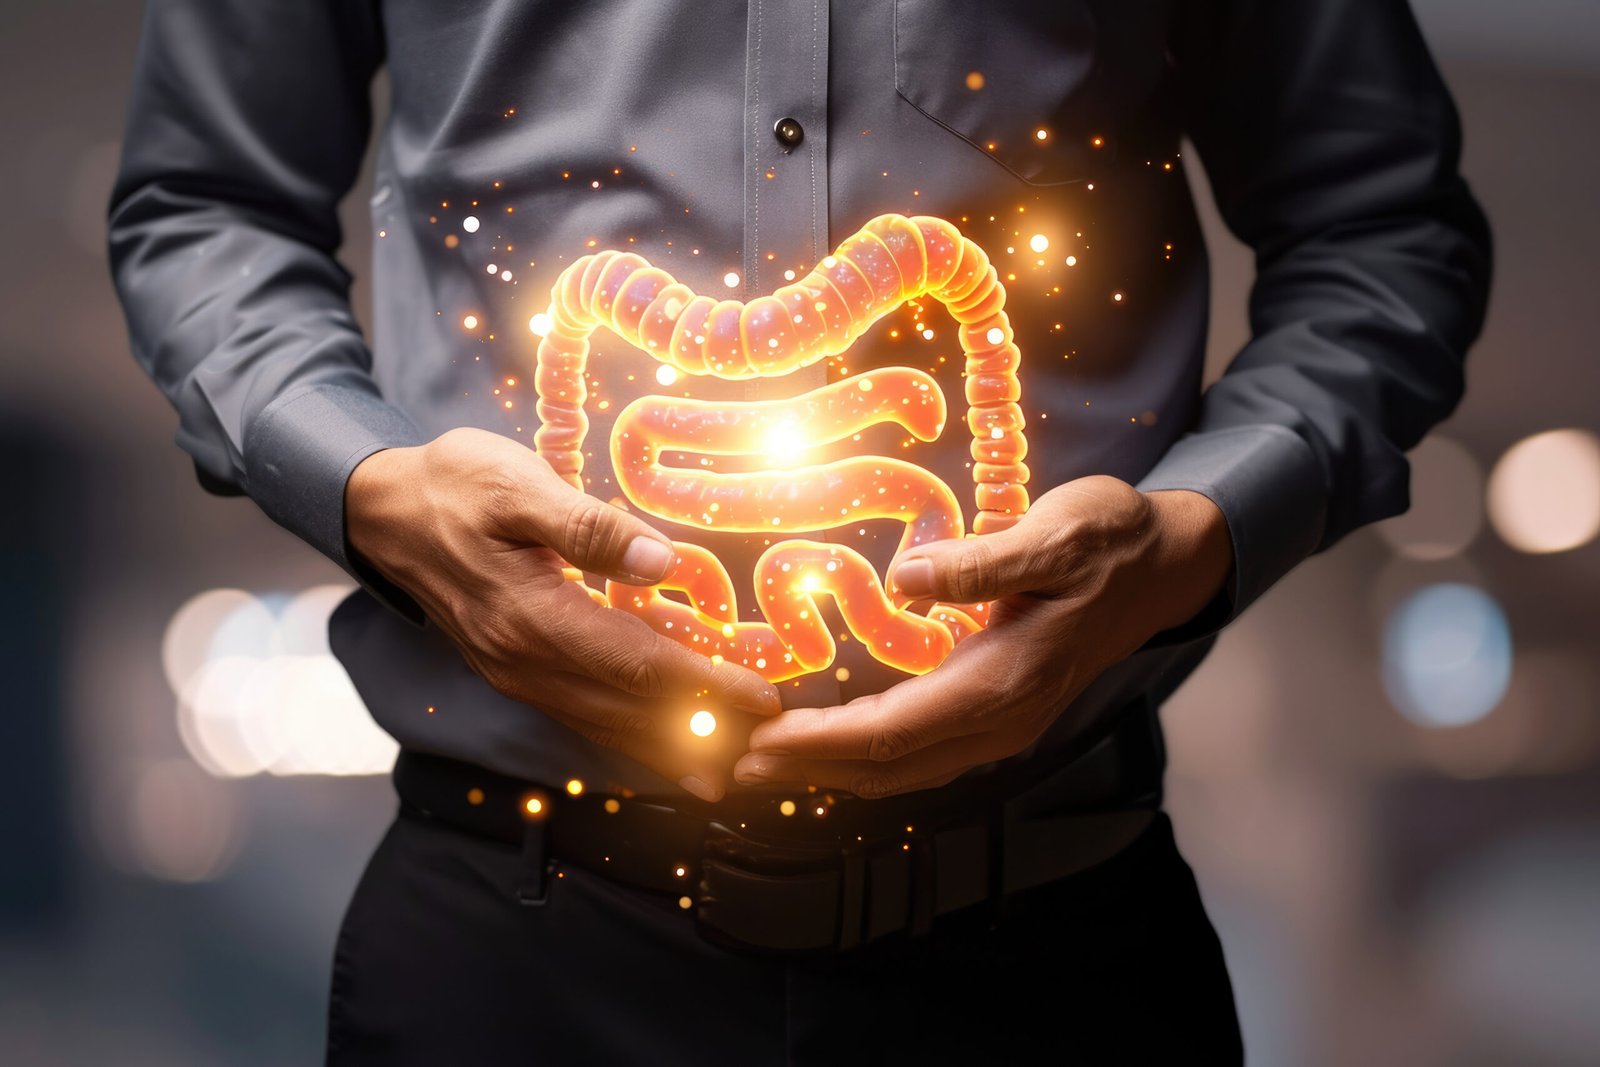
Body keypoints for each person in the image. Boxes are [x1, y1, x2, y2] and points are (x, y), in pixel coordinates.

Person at [109, 1, 1490, 1062]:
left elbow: (1381, 229)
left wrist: (1198, 538)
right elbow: (206, 205)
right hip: (518, 954)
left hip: (1054, 950)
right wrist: (374, 492)